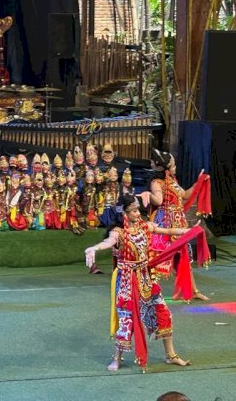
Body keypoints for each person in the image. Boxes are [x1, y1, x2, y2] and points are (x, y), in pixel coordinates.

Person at [85, 193, 202, 371]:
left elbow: (168, 231)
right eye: (133, 211)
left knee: (164, 313)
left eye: (138, 210)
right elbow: (108, 242)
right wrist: (93, 248)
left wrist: (189, 231)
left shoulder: (144, 227)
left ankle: (171, 355)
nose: (138, 214)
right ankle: (117, 358)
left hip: (146, 278)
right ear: (124, 213)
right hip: (127, 282)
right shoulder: (118, 233)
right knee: (126, 320)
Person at [142, 149, 210, 301]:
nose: (175, 166)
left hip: (178, 222)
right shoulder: (156, 183)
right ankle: (146, 291)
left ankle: (193, 291)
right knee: (156, 258)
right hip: (164, 223)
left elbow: (185, 195)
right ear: (166, 166)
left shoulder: (172, 181)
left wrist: (198, 182)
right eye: (173, 164)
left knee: (183, 258)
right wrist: (149, 195)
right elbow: (159, 201)